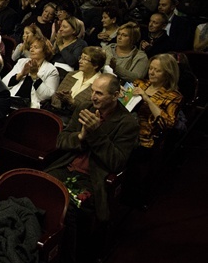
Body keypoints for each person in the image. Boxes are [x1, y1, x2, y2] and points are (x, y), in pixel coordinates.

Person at [45, 74, 139, 262]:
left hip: (93, 179)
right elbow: (61, 140)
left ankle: (67, 257)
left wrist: (96, 133)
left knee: (67, 208)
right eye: (92, 91)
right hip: (66, 166)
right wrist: (80, 136)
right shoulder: (84, 107)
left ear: (116, 95)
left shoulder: (127, 123)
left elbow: (116, 162)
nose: (93, 97)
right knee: (39, 189)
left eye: (99, 93)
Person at [132, 54, 183, 149]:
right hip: (124, 129)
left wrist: (147, 99)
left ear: (168, 74)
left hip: (144, 138)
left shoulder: (173, 96)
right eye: (150, 68)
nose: (151, 72)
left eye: (157, 70)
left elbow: (168, 123)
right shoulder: (139, 83)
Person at [50, 46, 106, 120]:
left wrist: (72, 102)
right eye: (81, 57)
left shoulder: (100, 84)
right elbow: (55, 98)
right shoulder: (71, 75)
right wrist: (63, 101)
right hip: (56, 113)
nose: (80, 61)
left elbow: (92, 110)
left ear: (95, 65)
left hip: (77, 121)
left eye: (85, 59)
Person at [2, 37, 59, 108]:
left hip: (31, 106)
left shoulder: (51, 70)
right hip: (12, 100)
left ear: (45, 51)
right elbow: (3, 83)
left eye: (36, 47)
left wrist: (35, 76)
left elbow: (48, 96)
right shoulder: (21, 62)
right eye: (31, 47)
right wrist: (21, 74)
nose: (31, 50)